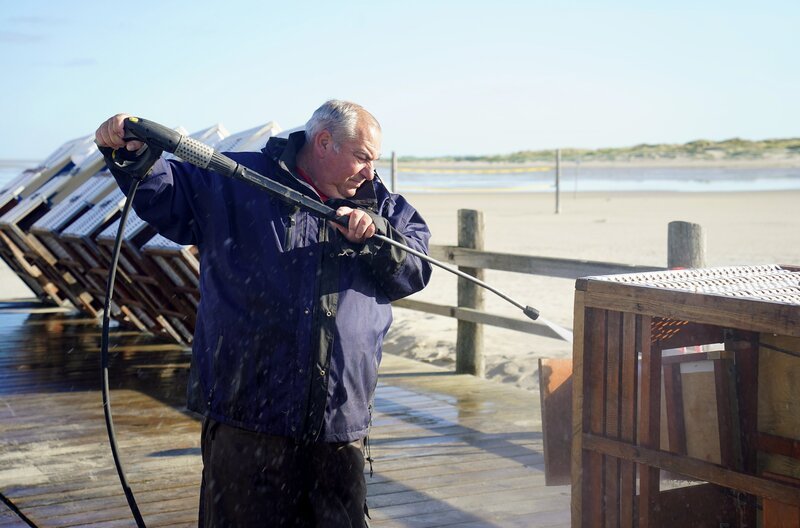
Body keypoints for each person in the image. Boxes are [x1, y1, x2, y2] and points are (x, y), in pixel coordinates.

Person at [95, 100, 432, 527]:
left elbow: (416, 267)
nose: (370, 171)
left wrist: (376, 237)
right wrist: (132, 153)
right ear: (324, 142)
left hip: (337, 424)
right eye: (363, 157)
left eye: (374, 160)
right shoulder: (238, 179)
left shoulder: (384, 208)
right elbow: (165, 193)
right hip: (246, 416)